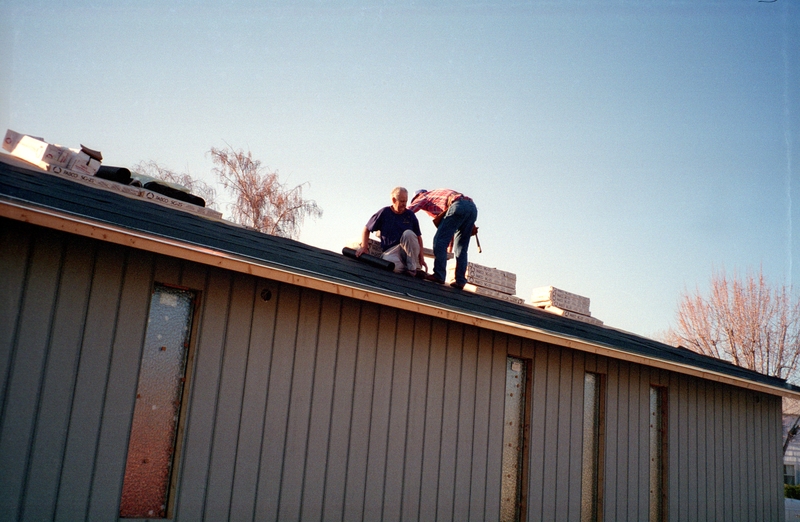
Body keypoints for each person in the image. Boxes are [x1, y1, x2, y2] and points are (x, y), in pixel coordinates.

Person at [408, 188, 477, 289]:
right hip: (472, 209)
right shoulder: (438, 194)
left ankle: (439, 275)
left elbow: (410, 210)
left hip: (459, 206)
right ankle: (460, 281)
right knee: (461, 248)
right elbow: (451, 227)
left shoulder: (423, 196)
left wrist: (396, 218)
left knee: (438, 241)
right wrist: (449, 247)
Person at [356, 187, 427, 276]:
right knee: (392, 266)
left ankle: (413, 269)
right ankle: (410, 270)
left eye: (405, 201)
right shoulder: (384, 212)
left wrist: (421, 258)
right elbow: (366, 229)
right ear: (394, 200)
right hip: (391, 251)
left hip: (407, 251)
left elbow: (418, 238)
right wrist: (364, 247)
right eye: (402, 201)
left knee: (408, 234)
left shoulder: (410, 215)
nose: (404, 204)